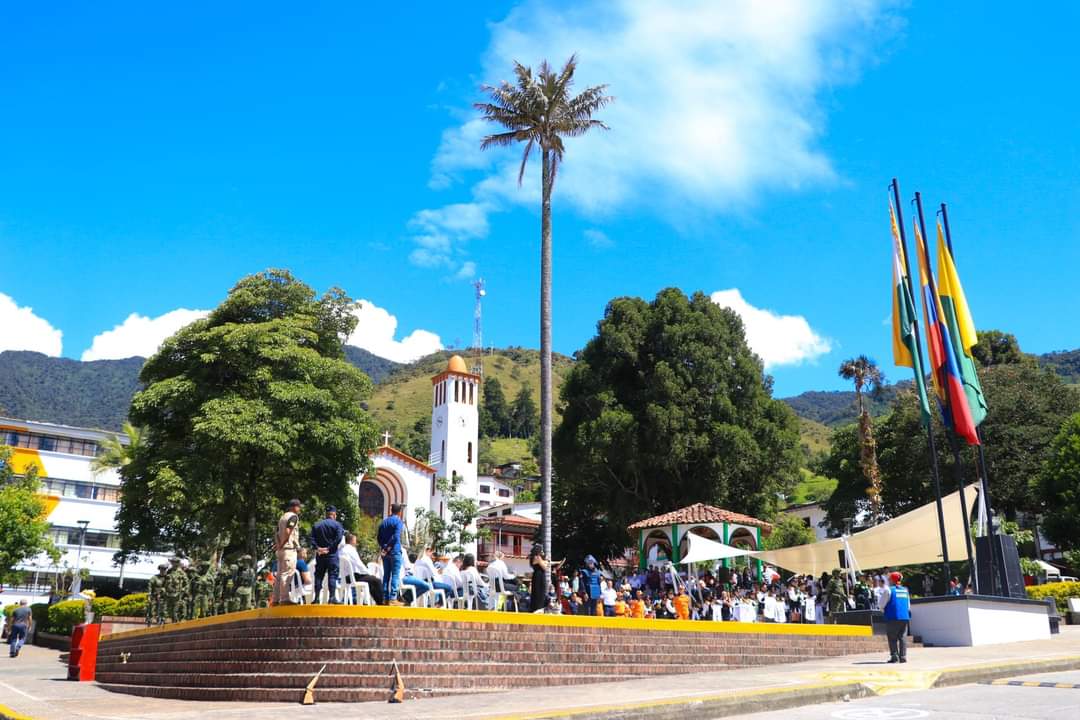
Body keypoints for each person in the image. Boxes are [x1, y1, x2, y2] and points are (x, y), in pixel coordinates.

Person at [311, 505, 345, 604]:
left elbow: (312, 539)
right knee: (332, 575)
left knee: (319, 575)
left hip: (320, 554)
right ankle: (332, 598)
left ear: (326, 514)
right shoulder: (337, 525)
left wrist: (318, 548)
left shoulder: (317, 525)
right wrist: (329, 548)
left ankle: (316, 598)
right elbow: (338, 538)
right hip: (332, 555)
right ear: (334, 514)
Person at [272, 498, 302, 605]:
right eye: (299, 507)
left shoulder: (282, 517)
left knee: (279, 575)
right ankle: (284, 599)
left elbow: (276, 532)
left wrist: (278, 544)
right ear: (294, 507)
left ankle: (275, 600)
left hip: (281, 550)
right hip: (288, 549)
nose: (299, 509)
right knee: (287, 573)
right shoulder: (293, 517)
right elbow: (288, 531)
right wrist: (283, 543)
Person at [340, 533, 383, 605]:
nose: (356, 542)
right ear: (351, 541)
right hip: (353, 577)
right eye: (355, 540)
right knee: (376, 581)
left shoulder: (342, 550)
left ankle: (377, 602)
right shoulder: (351, 550)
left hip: (344, 577)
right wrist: (368, 572)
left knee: (371, 581)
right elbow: (359, 564)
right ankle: (381, 602)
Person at [377, 503, 407, 605]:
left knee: (386, 575)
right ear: (399, 512)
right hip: (394, 551)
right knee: (395, 575)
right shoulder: (398, 521)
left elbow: (379, 538)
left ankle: (385, 598)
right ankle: (393, 598)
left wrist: (384, 548)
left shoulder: (384, 522)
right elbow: (396, 537)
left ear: (391, 510)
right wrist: (389, 547)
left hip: (386, 553)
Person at [883, 571, 911, 664]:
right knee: (902, 637)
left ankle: (894, 657)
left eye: (889, 579)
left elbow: (881, 604)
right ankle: (903, 657)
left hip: (892, 616)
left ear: (892, 580)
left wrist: (882, 610)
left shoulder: (889, 590)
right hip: (904, 617)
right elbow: (908, 605)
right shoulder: (905, 590)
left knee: (892, 637)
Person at [529, 544, 550, 612]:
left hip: (537, 575)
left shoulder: (534, 557)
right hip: (539, 576)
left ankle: (536, 608)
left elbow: (544, 564)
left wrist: (546, 562)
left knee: (537, 592)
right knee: (540, 592)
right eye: (541, 550)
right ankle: (538, 608)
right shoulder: (537, 557)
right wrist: (546, 563)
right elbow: (544, 567)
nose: (542, 551)